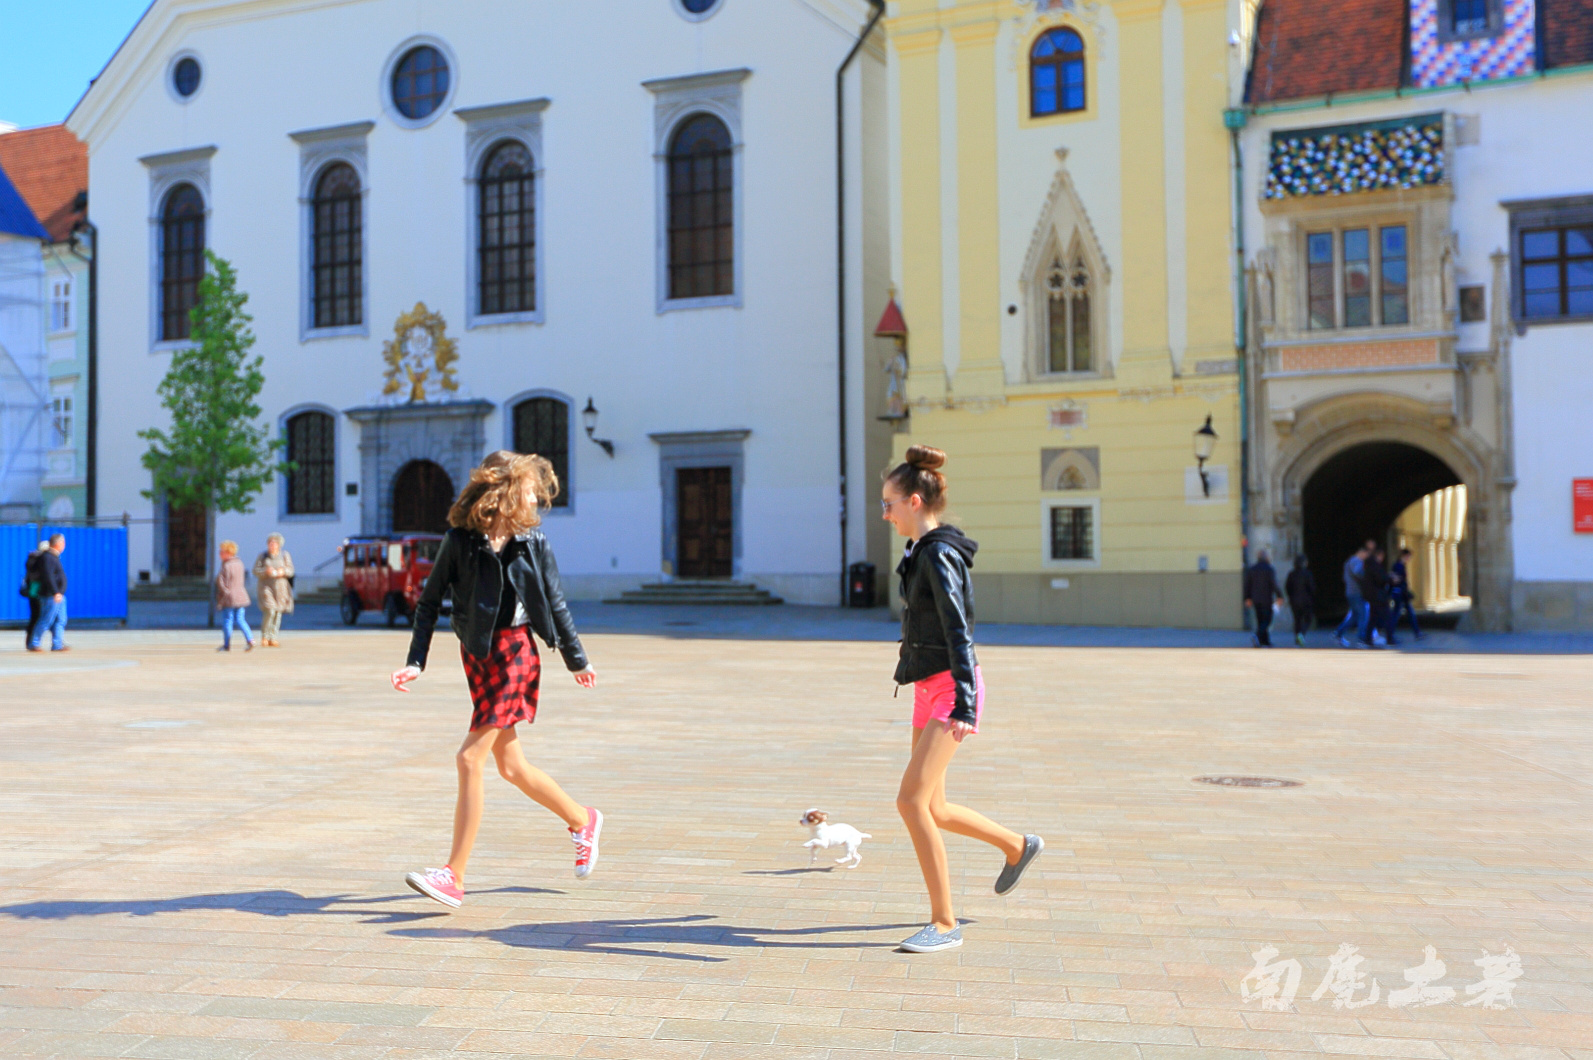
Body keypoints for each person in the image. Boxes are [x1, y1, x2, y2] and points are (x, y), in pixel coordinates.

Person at [391, 450, 599, 910]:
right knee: (511, 768)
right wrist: (416, 662)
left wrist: (576, 658)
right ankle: (583, 820)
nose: (533, 498)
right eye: (527, 489)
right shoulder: (459, 541)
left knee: (469, 759)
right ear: (503, 491)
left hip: (515, 656)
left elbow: (556, 602)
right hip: (477, 657)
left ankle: (454, 875)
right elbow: (428, 603)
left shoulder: (534, 542)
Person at [884, 444, 1042, 953]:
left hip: (951, 688)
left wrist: (966, 705)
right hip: (929, 685)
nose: (885, 514)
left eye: (889, 504)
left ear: (913, 501)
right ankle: (1018, 847)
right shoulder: (918, 552)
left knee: (910, 802)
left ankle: (944, 924)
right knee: (934, 805)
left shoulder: (938, 554)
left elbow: (959, 630)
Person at [27, 534, 68, 653]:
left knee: (60, 620)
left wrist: (60, 592)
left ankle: (57, 644)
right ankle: (34, 643)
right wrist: (56, 592)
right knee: (46, 620)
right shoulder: (47, 558)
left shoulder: (54, 557)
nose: (64, 545)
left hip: (59, 595)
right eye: (63, 542)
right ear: (57, 544)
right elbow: (48, 576)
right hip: (51, 595)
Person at [253, 533, 294, 647]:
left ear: (279, 544)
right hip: (266, 586)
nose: (271, 545)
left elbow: (291, 570)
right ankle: (265, 636)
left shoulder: (285, 555)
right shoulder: (263, 556)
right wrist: (265, 571)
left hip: (280, 588)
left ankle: (273, 637)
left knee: (278, 613)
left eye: (274, 543)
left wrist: (283, 571)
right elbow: (255, 570)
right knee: (270, 610)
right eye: (269, 543)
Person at [214, 540, 254, 652]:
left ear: (228, 553)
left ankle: (227, 645)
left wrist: (223, 593)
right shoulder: (240, 564)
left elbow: (220, 582)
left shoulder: (226, 566)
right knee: (241, 619)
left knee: (228, 620)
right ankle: (250, 639)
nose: (220, 554)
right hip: (241, 596)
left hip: (229, 598)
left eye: (222, 552)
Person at [1242, 549, 1284, 648]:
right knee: (1267, 620)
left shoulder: (1252, 569)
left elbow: (1247, 585)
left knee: (1260, 620)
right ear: (1266, 558)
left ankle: (1264, 641)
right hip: (1266, 599)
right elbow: (1274, 584)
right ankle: (1256, 636)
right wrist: (1280, 596)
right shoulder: (1269, 569)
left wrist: (1247, 598)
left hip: (1255, 599)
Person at [1334, 543, 1370, 649]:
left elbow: (1345, 578)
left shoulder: (1348, 562)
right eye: (1365, 554)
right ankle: (1361, 639)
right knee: (1363, 614)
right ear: (1361, 552)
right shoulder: (1356, 561)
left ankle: (1338, 633)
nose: (1366, 557)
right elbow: (1358, 573)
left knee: (1354, 616)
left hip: (1350, 592)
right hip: (1356, 593)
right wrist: (1367, 575)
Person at [1386, 547, 1423, 643]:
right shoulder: (1398, 566)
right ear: (1405, 556)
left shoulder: (1400, 565)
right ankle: (1390, 635)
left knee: (1409, 613)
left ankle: (1417, 632)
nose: (1409, 559)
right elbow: (1395, 579)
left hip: (1402, 593)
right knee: (1396, 614)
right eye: (1409, 556)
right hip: (1400, 593)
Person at [19, 540, 47, 648]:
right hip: (36, 591)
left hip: (34, 591)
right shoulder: (36, 561)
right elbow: (35, 576)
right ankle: (32, 641)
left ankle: (31, 640)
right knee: (37, 616)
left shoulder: (32, 559)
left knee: (36, 616)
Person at [1284, 554, 1316, 647]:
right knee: (1308, 618)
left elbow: (1287, 587)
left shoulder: (1291, 574)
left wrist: (1290, 596)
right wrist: (1312, 597)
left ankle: (1297, 638)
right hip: (1306, 601)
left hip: (1294, 601)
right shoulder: (1307, 573)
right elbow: (1312, 588)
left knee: (1297, 620)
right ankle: (1301, 634)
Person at [1363, 546, 1390, 648]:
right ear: (1379, 556)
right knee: (1386, 616)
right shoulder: (1375, 566)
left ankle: (1368, 639)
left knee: (1372, 618)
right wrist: (1389, 579)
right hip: (1378, 596)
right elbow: (1381, 579)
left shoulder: (1368, 566)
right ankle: (1389, 638)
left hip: (1372, 596)